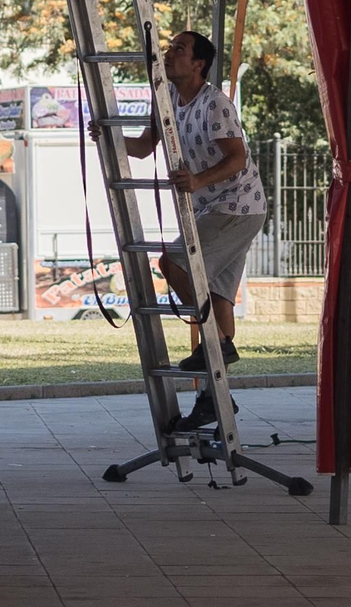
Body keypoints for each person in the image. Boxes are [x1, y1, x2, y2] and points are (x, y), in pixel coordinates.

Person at [89, 31, 266, 428]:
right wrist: (108, 138)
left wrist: (198, 181)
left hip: (237, 208)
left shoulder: (215, 103)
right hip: (212, 208)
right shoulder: (166, 100)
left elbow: (237, 159)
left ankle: (217, 345)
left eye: (179, 50)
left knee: (174, 264)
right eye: (170, 48)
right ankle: (214, 397)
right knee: (219, 297)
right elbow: (143, 146)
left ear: (198, 64)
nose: (169, 54)